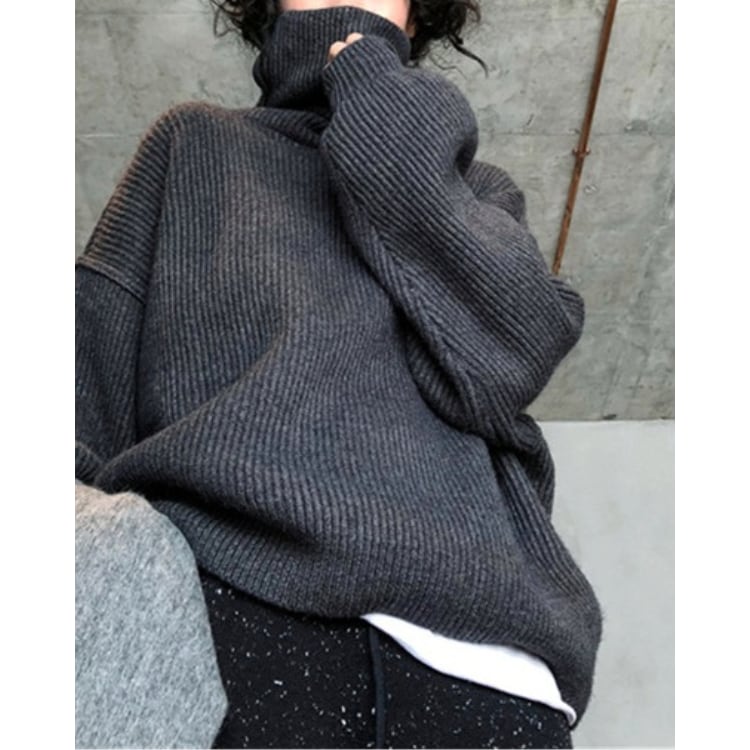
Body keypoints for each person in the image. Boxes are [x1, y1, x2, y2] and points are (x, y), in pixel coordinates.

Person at [75, 0, 604, 747]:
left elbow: (512, 351)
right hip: (227, 625)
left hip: (492, 670)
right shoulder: (193, 144)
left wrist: (367, 81)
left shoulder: (477, 191)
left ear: (419, 17)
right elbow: (77, 404)